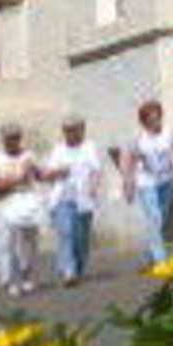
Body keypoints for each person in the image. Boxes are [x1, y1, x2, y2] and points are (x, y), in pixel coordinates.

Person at [0, 123, 50, 297]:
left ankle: (26, 275)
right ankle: (10, 280)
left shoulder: (29, 156)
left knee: (28, 241)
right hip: (7, 202)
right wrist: (17, 178)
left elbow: (41, 176)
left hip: (27, 202)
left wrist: (40, 172)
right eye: (9, 138)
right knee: (7, 243)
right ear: (3, 140)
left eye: (16, 138)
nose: (13, 141)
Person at [117, 100, 173, 266]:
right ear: (144, 122)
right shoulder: (138, 139)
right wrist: (128, 184)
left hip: (167, 180)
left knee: (165, 218)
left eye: (157, 118)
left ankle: (152, 250)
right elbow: (126, 161)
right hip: (146, 182)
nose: (155, 123)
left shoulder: (170, 133)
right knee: (154, 217)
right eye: (151, 120)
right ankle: (160, 258)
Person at [44, 116, 107, 287]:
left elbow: (96, 170)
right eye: (67, 130)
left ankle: (77, 268)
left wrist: (93, 186)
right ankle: (69, 272)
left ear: (82, 130)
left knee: (81, 239)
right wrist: (58, 172)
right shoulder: (58, 149)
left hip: (83, 199)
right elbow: (48, 174)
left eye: (74, 129)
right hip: (61, 198)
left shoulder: (89, 147)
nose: (70, 133)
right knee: (66, 233)